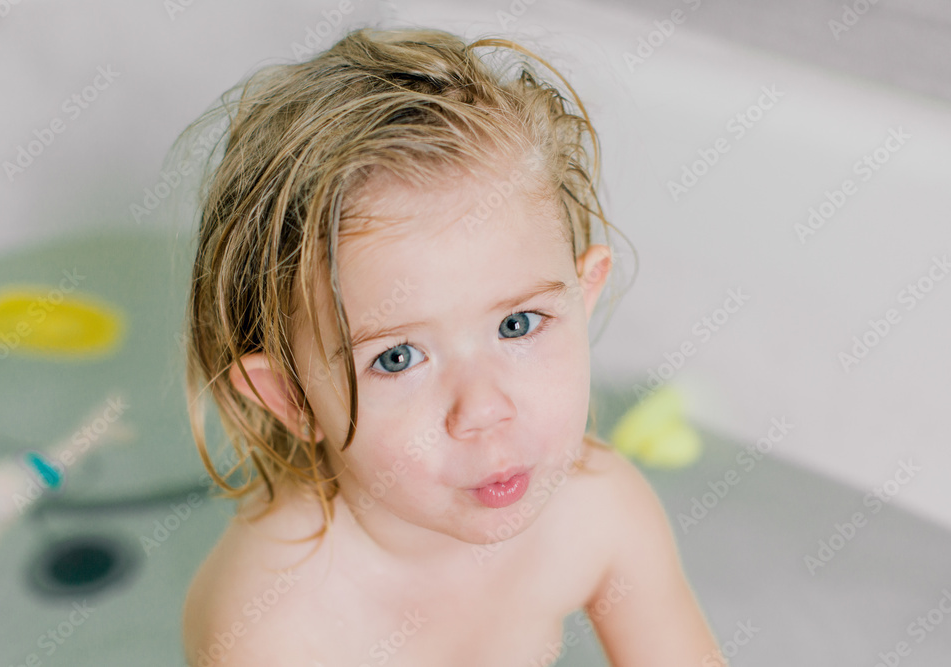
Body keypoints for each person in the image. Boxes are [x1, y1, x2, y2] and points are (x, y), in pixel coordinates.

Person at [179, 25, 723, 667]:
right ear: (291, 397)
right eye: (398, 357)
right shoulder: (276, 628)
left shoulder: (598, 512)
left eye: (518, 324)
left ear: (583, 296)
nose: (483, 408)